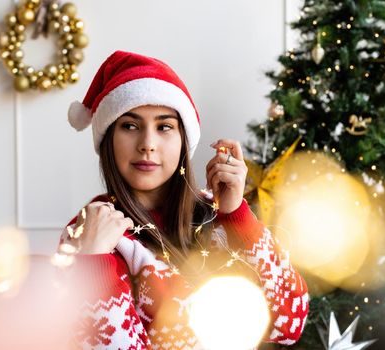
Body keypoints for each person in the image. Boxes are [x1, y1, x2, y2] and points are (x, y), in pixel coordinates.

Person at [57, 50, 309, 349]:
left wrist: (237, 215)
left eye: (164, 127)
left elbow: (289, 324)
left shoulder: (218, 215)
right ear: (108, 138)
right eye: (130, 126)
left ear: (183, 140)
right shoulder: (89, 234)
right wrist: (94, 264)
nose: (147, 145)